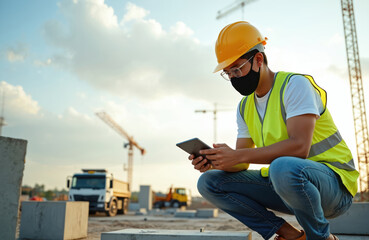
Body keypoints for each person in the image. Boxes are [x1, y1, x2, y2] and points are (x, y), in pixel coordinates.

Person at [189, 21, 359, 240]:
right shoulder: (245, 107)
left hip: (334, 187)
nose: (233, 77)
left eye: (237, 69)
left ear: (258, 59)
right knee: (210, 181)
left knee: (283, 166)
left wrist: (238, 154)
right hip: (287, 185)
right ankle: (291, 235)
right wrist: (219, 161)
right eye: (227, 73)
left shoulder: (294, 85)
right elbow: (242, 161)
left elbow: (299, 147)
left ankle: (320, 238)